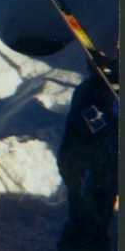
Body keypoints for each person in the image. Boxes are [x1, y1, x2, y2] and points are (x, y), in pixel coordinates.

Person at [57, 56, 119, 251]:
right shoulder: (92, 93)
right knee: (89, 217)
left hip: (96, 164)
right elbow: (97, 128)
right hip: (88, 166)